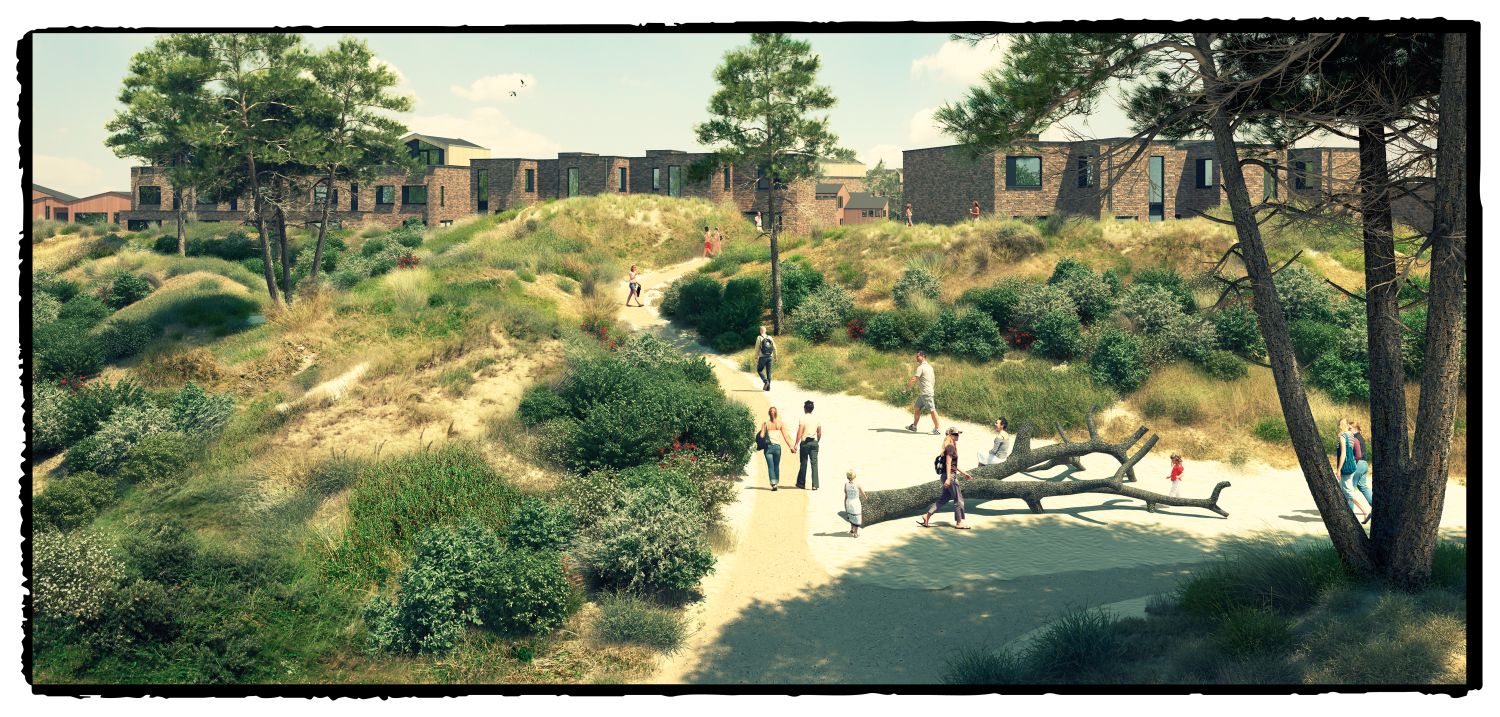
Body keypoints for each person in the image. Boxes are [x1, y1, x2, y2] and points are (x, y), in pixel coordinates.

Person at [919, 428, 973, 529]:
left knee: (945, 498)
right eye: (956, 434)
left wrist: (964, 473)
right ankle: (959, 523)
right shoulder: (950, 446)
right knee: (958, 499)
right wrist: (949, 479)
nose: (958, 436)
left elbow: (952, 464)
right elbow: (948, 463)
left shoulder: (948, 446)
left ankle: (927, 516)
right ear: (950, 435)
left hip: (945, 476)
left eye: (958, 434)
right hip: (949, 477)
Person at [1334, 418, 1370, 523]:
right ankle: (1347, 514)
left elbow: (1343, 454)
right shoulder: (1350, 435)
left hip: (1346, 466)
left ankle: (1365, 512)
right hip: (1352, 465)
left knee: (1349, 492)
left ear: (1340, 426)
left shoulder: (1342, 436)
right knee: (1345, 491)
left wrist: (1339, 469)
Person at [758, 406, 796, 492]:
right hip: (777, 448)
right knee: (776, 466)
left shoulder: (765, 424)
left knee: (770, 467)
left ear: (769, 413)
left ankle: (773, 483)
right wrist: (791, 447)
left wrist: (763, 431)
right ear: (776, 413)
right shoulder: (780, 424)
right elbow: (786, 437)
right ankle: (776, 482)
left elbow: (762, 436)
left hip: (768, 448)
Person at [905, 351, 940, 434]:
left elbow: (914, 379)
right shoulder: (930, 367)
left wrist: (906, 389)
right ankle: (914, 426)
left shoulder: (921, 367)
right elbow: (933, 380)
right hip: (924, 393)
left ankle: (937, 429)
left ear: (923, 356)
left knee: (932, 410)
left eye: (917, 356)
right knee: (917, 407)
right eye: (916, 356)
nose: (916, 358)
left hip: (926, 393)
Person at [1349, 420, 1373, 524]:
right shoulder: (1360, 438)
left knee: (1349, 490)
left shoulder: (1354, 438)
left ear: (1356, 429)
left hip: (1358, 464)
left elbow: (1357, 455)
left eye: (1350, 428)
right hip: (1364, 464)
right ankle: (1377, 507)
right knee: (1363, 487)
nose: (1348, 430)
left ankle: (1350, 514)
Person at [795, 400, 823, 490]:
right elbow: (819, 433)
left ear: (805, 408)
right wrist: (817, 441)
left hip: (805, 442)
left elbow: (800, 431)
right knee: (814, 464)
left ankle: (801, 483)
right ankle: (815, 485)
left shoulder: (803, 418)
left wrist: (796, 443)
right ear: (812, 409)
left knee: (804, 463)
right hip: (814, 442)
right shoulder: (817, 418)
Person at [844, 469, 867, 537]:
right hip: (856, 502)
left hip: (849, 501)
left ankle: (852, 529)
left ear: (847, 477)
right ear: (855, 476)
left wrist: (845, 503)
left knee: (851, 516)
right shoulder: (858, 484)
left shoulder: (846, 484)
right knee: (857, 517)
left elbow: (846, 494)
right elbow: (863, 493)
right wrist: (866, 498)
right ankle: (855, 533)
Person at [755, 326, 776, 391]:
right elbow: (774, 347)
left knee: (759, 370)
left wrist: (756, 357)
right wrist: (775, 356)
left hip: (763, 357)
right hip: (770, 357)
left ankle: (766, 381)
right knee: (768, 372)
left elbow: (757, 348)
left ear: (760, 331)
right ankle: (768, 388)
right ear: (765, 330)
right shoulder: (770, 337)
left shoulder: (759, 337)